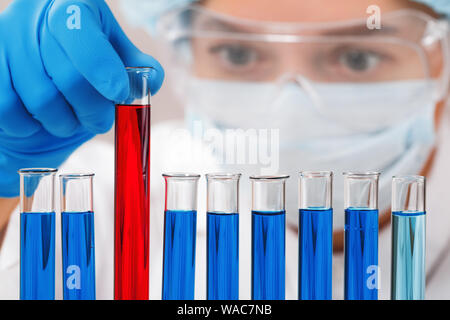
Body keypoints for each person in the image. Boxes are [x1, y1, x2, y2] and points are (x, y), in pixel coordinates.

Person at [0, 0, 449, 300]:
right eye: (237, 52)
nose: (289, 109)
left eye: (357, 57)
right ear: (186, 53)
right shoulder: (104, 195)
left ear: (437, 57)